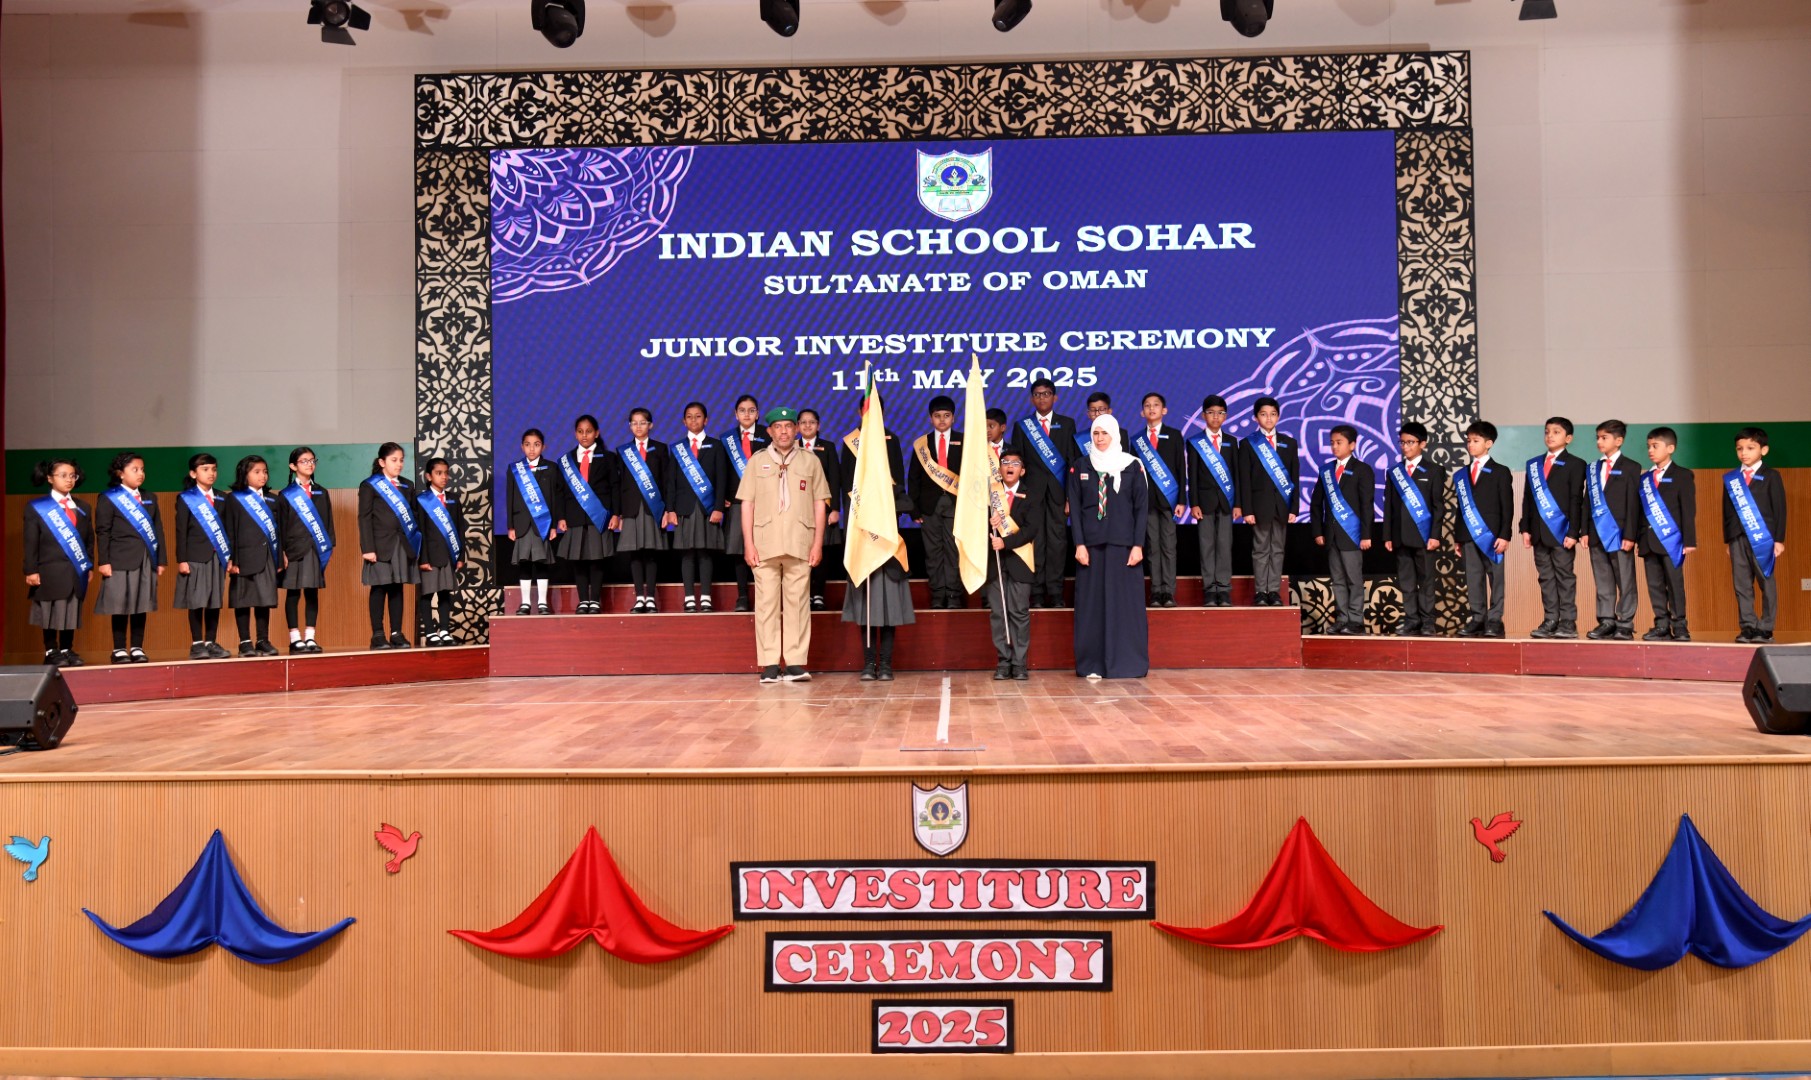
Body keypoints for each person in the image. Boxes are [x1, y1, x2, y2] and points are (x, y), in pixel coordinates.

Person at [738, 406, 828, 684]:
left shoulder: (810, 460)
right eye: (778, 427)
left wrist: (818, 543)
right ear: (769, 431)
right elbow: (747, 505)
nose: (784, 431)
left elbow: (820, 504)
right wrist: (748, 544)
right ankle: (769, 664)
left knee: (798, 604)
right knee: (766, 605)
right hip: (765, 543)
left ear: (797, 429)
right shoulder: (757, 461)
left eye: (789, 426)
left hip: (800, 542)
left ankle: (795, 663)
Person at [1068, 414, 1149, 679]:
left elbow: (1141, 509)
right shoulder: (1080, 465)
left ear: (1114, 435)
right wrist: (1079, 544)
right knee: (1092, 608)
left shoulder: (1132, 466)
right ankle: (1093, 664)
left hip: (1123, 548)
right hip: (1091, 548)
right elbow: (1076, 511)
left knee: (1124, 607)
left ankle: (1126, 663)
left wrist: (1138, 545)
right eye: (1096, 433)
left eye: (1105, 433)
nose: (1100, 438)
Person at [1010, 378, 1081, 608]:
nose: (1042, 398)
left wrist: (1070, 497)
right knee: (1036, 542)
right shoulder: (1023, 426)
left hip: (1059, 493)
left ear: (1055, 397)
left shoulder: (1067, 424)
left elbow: (1072, 462)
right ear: (1032, 399)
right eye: (1037, 394)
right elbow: (1017, 463)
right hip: (1032, 496)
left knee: (1058, 543)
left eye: (1047, 393)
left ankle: (1056, 592)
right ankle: (1038, 593)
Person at [94, 451, 165, 664]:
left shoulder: (150, 497)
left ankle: (136, 647)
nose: (140, 473)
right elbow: (103, 531)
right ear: (120, 473)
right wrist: (104, 561)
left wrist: (161, 559)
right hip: (119, 559)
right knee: (119, 604)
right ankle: (118, 649)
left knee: (141, 604)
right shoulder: (109, 497)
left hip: (145, 558)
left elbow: (158, 530)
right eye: (135, 469)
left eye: (142, 469)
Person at [1519, 417, 1585, 639]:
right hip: (1538, 532)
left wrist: (1574, 532)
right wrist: (1525, 528)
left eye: (1556, 432)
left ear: (1568, 438)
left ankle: (1567, 621)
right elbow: (1528, 499)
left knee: (1565, 577)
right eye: (1547, 431)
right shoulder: (1533, 464)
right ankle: (1550, 619)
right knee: (1545, 578)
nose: (1550, 436)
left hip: (1562, 532)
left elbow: (1576, 500)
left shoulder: (1576, 464)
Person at [23, 457, 93, 668]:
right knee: (50, 610)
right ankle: (51, 650)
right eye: (63, 475)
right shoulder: (37, 507)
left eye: (72, 475)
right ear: (49, 478)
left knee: (71, 608)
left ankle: (66, 648)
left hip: (75, 568)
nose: (69, 480)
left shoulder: (83, 507)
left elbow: (89, 540)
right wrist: (30, 570)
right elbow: (30, 541)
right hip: (48, 568)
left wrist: (89, 565)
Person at [1310, 424, 1375, 635]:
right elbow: (1316, 503)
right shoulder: (1326, 470)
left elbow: (1367, 505)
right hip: (1331, 535)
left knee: (1354, 580)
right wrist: (1318, 531)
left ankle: (1356, 620)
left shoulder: (1362, 470)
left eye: (1339, 442)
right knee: (1337, 580)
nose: (1334, 447)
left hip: (1353, 534)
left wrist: (1366, 534)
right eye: (1332, 443)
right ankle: (1342, 618)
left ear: (1352, 445)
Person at [1382, 422, 1445, 636]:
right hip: (1400, 536)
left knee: (1426, 581)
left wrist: (1435, 535)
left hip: (1424, 536)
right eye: (1402, 442)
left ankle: (1427, 622)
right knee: (1406, 581)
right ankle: (1411, 620)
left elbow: (1438, 506)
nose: (1405, 447)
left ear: (1422, 444)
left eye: (1410, 442)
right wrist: (1387, 535)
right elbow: (1389, 506)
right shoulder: (1394, 472)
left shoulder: (1434, 470)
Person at [1725, 426, 1786, 644]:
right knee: (1741, 585)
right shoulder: (1732, 478)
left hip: (1763, 538)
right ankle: (1748, 626)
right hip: (1738, 538)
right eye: (1740, 448)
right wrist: (1728, 540)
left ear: (1763, 450)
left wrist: (1779, 539)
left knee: (1766, 583)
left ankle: (1766, 628)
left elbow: (1779, 509)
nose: (1744, 453)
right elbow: (1727, 511)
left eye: (1750, 448)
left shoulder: (1771, 476)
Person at [1582, 419, 1641, 641]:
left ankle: (1625, 623)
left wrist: (1630, 535)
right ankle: (1606, 620)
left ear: (1619, 440)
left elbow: (1633, 504)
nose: (1599, 441)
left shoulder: (1631, 467)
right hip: (1596, 532)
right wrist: (1584, 530)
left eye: (1604, 437)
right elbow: (1587, 501)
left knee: (1625, 579)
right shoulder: (1593, 468)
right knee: (1603, 579)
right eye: (1597, 437)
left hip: (1620, 533)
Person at [1636, 426, 1696, 642]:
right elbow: (1640, 512)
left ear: (1670, 448)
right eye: (1648, 447)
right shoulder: (1644, 479)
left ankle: (1680, 626)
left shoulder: (1683, 475)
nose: (1650, 450)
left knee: (1675, 584)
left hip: (1673, 541)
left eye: (1655, 446)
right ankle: (1661, 624)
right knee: (1655, 585)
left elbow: (1688, 510)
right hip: (1648, 541)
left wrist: (1689, 540)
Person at [556, 414, 620, 615]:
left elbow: (615, 488)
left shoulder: (608, 458)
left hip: (599, 516)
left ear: (597, 433)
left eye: (589, 431)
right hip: (574, 517)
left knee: (596, 560)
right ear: (575, 434)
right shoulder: (566, 461)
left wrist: (616, 514)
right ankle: (583, 600)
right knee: (579, 560)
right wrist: (561, 516)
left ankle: (595, 600)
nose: (585, 435)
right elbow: (561, 492)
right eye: (580, 431)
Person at [359, 441, 420, 650]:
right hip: (378, 545)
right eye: (394, 460)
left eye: (401, 460)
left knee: (397, 587)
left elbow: (414, 516)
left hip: (402, 544)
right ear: (382, 462)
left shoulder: (408, 485)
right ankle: (377, 634)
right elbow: (364, 518)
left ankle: (396, 633)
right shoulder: (370, 485)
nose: (399, 464)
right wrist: (367, 548)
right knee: (379, 587)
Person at [671, 402, 731, 613]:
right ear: (683, 421)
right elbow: (671, 482)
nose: (693, 420)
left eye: (698, 416)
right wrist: (670, 509)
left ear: (706, 420)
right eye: (689, 416)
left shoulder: (716, 445)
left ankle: (706, 597)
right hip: (684, 508)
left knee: (705, 553)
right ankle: (689, 598)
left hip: (708, 508)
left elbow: (722, 479)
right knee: (687, 554)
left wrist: (719, 508)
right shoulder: (678, 448)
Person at [984, 448, 1039, 681]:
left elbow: (1031, 530)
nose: (1009, 466)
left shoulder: (1032, 495)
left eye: (1015, 463)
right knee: (998, 613)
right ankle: (1003, 662)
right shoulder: (989, 494)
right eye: (1005, 462)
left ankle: (1019, 663)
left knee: (1019, 613)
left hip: (1020, 561)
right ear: (1000, 468)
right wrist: (988, 522)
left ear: (1022, 470)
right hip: (995, 562)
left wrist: (1005, 542)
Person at [172, 452, 232, 660]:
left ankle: (211, 642)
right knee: (196, 600)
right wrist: (182, 559)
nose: (211, 473)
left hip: (218, 556)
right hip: (195, 556)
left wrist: (230, 556)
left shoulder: (223, 497)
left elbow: (228, 529)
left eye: (214, 469)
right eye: (205, 469)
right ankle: (197, 643)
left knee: (214, 600)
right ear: (193, 473)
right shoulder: (186, 498)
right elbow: (181, 531)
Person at [1239, 396, 1298, 607]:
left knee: (1278, 549)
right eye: (1263, 414)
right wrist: (1247, 509)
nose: (1269, 418)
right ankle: (1260, 592)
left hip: (1282, 505)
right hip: (1259, 506)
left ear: (1278, 416)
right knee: (1261, 549)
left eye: (1273, 414)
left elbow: (1294, 477)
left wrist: (1294, 507)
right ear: (1256, 418)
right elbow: (1244, 480)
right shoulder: (1248, 444)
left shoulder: (1289, 443)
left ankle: (1273, 591)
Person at [225, 454, 286, 657]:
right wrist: (232, 558)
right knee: (243, 599)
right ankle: (245, 642)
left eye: (265, 472)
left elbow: (279, 531)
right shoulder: (235, 498)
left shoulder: (273, 499)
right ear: (245, 474)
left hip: (268, 555)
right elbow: (230, 530)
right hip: (243, 556)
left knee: (264, 599)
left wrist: (279, 557)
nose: (263, 476)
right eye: (257, 472)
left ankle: (262, 640)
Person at [1454, 420, 1512, 637]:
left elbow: (1507, 506)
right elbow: (1460, 508)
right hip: (1468, 535)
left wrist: (1504, 535)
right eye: (1469, 441)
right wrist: (1458, 537)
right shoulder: (1462, 474)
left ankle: (1495, 619)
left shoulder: (1500, 471)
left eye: (1476, 441)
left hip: (1492, 536)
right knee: (1473, 578)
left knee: (1496, 578)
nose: (1470, 445)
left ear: (1489, 443)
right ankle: (1478, 618)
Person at [909, 394, 964, 609]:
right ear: (930, 418)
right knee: (933, 553)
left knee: (953, 551)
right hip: (928, 506)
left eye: (946, 415)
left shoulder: (965, 440)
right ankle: (938, 595)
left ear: (953, 418)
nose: (942, 420)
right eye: (937, 416)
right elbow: (913, 478)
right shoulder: (922, 444)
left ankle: (953, 594)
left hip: (956, 504)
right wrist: (914, 509)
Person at [279, 446, 335, 654]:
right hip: (293, 549)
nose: (310, 464)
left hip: (315, 548)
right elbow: (280, 526)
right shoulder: (286, 495)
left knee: (312, 592)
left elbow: (328, 523)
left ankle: (310, 637)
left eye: (312, 460)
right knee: (293, 593)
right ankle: (295, 638)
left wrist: (329, 546)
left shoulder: (321, 492)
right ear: (293, 466)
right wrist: (282, 552)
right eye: (304, 461)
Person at [1186, 394, 1241, 608]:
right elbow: (1192, 474)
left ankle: (1224, 589)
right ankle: (1210, 590)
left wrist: (1238, 503)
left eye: (1220, 413)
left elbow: (1236, 474)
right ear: (1203, 415)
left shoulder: (1231, 441)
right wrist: (1194, 503)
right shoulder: (1195, 442)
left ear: (1225, 416)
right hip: (1204, 502)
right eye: (1211, 413)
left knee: (1224, 545)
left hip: (1227, 501)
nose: (1215, 417)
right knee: (1206, 546)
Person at [1132, 392, 1186, 607]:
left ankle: (1169, 592)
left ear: (1164, 410)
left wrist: (1181, 500)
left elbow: (1181, 468)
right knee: (1152, 547)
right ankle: (1156, 591)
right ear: (1142, 412)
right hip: (1147, 501)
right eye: (1147, 405)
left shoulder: (1174, 435)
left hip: (1169, 501)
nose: (1151, 408)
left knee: (1169, 547)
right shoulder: (1137, 440)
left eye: (1156, 405)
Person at [619, 407, 672, 612]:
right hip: (631, 509)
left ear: (651, 425)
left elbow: (666, 481)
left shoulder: (660, 449)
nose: (638, 426)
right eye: (634, 423)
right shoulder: (623, 451)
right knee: (635, 554)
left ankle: (650, 597)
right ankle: (639, 597)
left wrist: (667, 509)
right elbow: (620, 484)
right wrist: (619, 513)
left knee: (650, 553)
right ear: (629, 426)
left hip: (654, 508)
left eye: (642, 422)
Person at [506, 428, 560, 616]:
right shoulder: (515, 468)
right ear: (522, 447)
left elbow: (555, 498)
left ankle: (543, 603)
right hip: (521, 523)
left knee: (541, 563)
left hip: (542, 524)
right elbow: (510, 497)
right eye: (527, 445)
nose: (531, 449)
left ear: (543, 447)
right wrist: (510, 525)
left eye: (536, 445)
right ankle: (525, 603)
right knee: (524, 564)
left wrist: (553, 525)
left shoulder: (551, 468)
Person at [722, 395, 769, 612]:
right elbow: (722, 472)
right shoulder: (727, 439)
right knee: (740, 550)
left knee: (765, 549)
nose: (747, 414)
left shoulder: (768, 435)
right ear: (736, 414)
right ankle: (742, 596)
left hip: (765, 501)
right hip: (737, 502)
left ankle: (764, 596)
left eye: (751, 410)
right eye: (742, 410)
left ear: (757, 414)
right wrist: (723, 497)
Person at [416, 457, 467, 646]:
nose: (444, 477)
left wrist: (460, 555)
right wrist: (422, 558)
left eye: (446, 473)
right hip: (429, 555)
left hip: (448, 554)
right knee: (427, 594)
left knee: (445, 593)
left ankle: (445, 630)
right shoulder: (422, 500)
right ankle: (430, 633)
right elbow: (420, 530)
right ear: (429, 476)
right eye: (439, 473)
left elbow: (460, 529)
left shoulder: (453, 499)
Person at [799, 408, 843, 612]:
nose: (808, 426)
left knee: (820, 551)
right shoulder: (792, 447)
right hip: (798, 511)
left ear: (819, 425)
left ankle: (818, 594)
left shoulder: (828, 447)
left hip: (822, 509)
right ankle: (805, 594)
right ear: (797, 426)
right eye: (803, 422)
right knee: (801, 553)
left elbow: (835, 479)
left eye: (812, 422)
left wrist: (834, 509)